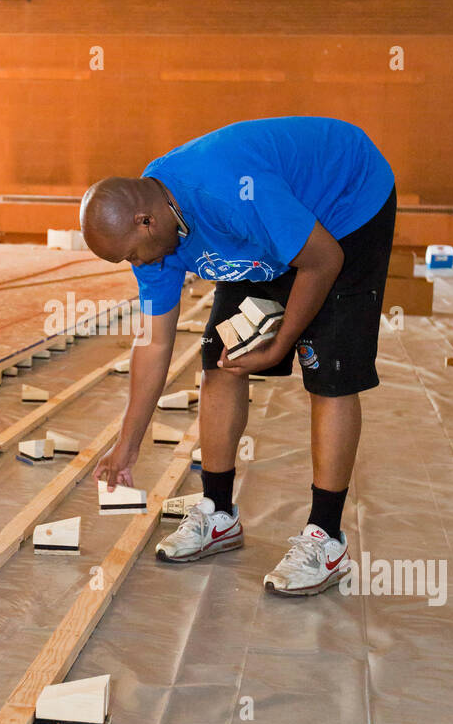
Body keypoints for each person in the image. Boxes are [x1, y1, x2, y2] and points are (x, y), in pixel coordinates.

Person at [80, 115, 396, 597]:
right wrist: (128, 442)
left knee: (327, 372)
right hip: (264, 233)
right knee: (220, 361)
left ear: (146, 220)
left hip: (343, 208)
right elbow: (154, 342)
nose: (138, 265)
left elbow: (322, 259)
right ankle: (219, 513)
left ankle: (326, 538)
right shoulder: (154, 235)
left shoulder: (226, 193)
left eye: (133, 255)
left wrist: (285, 338)